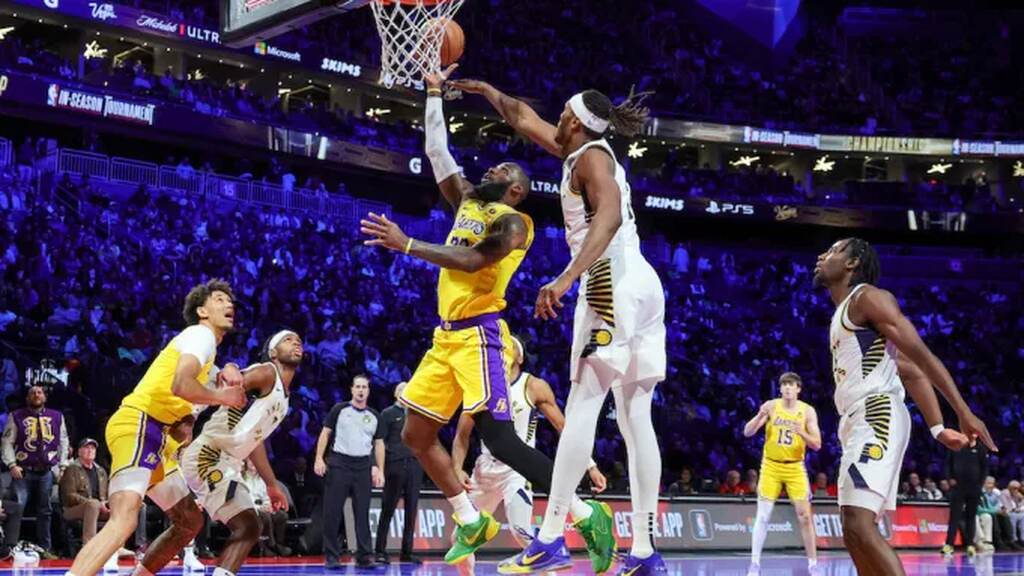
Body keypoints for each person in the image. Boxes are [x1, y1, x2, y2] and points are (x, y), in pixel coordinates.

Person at [360, 65, 613, 570]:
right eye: (493, 170)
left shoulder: (516, 224)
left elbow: (475, 261)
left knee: (499, 438)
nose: (492, 172)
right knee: (414, 434)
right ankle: (471, 518)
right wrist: (434, 93)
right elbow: (438, 153)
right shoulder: (469, 203)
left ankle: (585, 514)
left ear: (517, 190)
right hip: (445, 340)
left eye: (503, 173)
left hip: (481, 338)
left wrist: (407, 243)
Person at [450, 76, 668, 575]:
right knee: (637, 418)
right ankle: (644, 551)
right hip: (642, 282)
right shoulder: (581, 151)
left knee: (585, 402)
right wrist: (484, 89)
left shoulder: (591, 158)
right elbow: (522, 116)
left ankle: (549, 537)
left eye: (562, 115)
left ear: (572, 121)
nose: (555, 121)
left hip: (607, 278)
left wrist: (568, 278)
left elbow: (608, 217)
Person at [813, 238, 994, 575]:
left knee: (859, 523)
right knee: (853, 531)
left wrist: (963, 412)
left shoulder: (868, 297)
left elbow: (921, 357)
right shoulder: (845, 313)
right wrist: (938, 429)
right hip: (857, 418)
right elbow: (908, 371)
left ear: (852, 263)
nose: (823, 255)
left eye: (834, 251)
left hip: (876, 413)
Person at [63, 279, 246, 576]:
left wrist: (230, 369)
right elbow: (181, 384)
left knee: (189, 521)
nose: (229, 304)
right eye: (219, 299)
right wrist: (221, 397)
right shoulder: (201, 335)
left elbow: (187, 409)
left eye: (230, 300)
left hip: (158, 439)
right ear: (202, 310)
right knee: (124, 518)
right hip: (139, 422)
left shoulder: (206, 356)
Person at [451, 337, 608, 576]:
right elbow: (462, 436)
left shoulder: (532, 386)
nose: (504, 345)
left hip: (517, 471)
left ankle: (552, 568)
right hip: (485, 472)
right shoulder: (482, 387)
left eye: (510, 343)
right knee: (458, 539)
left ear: (520, 357)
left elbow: (563, 428)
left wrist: (591, 466)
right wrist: (457, 468)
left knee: (521, 531)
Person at [181, 330, 302, 576]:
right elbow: (228, 381)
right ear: (273, 352)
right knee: (248, 526)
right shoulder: (268, 372)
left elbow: (254, 443)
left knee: (245, 527)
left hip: (228, 460)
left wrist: (271, 485)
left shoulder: (284, 399)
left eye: (298, 340)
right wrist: (188, 418)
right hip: (210, 455)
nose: (295, 342)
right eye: (287, 340)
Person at [742, 372, 822, 575]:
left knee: (805, 516)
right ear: (780, 388)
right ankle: (755, 563)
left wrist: (801, 432)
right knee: (763, 516)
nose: (787, 388)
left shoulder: (807, 411)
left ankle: (813, 564)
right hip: (771, 466)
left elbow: (817, 444)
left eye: (791, 384)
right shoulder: (771, 406)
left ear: (798, 389)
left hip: (795, 467)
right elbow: (747, 432)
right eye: (784, 384)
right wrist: (760, 415)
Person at [314, 375, 383, 569]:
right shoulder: (339, 410)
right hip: (339, 464)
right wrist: (319, 458)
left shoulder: (374, 415)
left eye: (364, 387)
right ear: (351, 390)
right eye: (358, 387)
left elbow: (378, 444)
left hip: (363, 466)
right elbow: (325, 433)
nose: (361, 390)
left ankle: (364, 556)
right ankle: (332, 556)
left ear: (368, 391)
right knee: (333, 511)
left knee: (362, 512)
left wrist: (379, 468)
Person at [2, 384, 70, 559]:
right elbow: (7, 442)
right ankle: (10, 547)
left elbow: (63, 441)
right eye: (32, 393)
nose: (36, 395)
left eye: (39, 392)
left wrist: (62, 466)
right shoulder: (16, 416)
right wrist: (11, 464)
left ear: (45, 397)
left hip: (46, 470)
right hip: (23, 470)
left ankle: (44, 548)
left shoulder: (56, 416)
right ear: (27, 398)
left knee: (45, 511)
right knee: (18, 508)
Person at [373, 382, 422, 565]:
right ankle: (380, 550)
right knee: (388, 509)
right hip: (394, 465)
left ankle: (407, 552)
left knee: (411, 511)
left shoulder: (417, 414)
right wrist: (379, 467)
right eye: (401, 389)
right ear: (395, 393)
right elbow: (379, 442)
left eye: (408, 389)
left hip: (415, 465)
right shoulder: (387, 414)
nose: (405, 392)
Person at [59, 438, 117, 569]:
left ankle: (117, 547)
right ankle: (89, 547)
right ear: (79, 452)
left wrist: (107, 503)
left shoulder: (101, 471)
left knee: (121, 510)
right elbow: (69, 496)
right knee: (93, 505)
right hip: (73, 510)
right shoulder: (72, 469)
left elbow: (107, 494)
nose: (90, 451)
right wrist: (93, 502)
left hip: (98, 508)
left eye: (93, 448)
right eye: (86, 448)